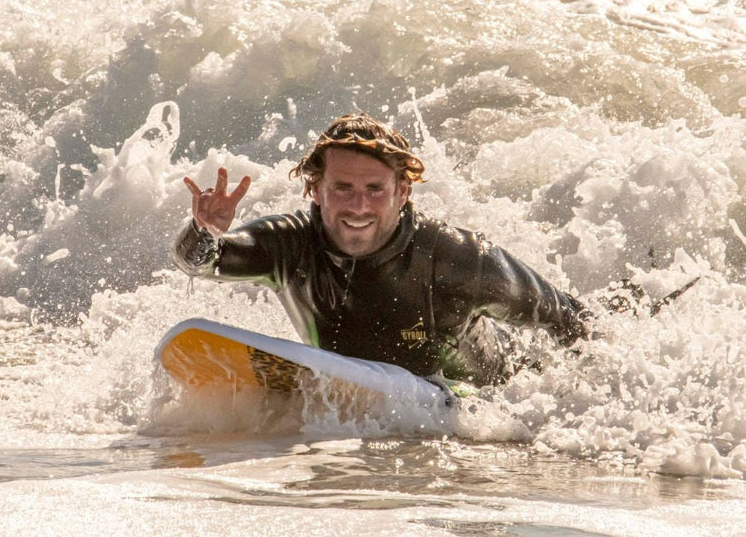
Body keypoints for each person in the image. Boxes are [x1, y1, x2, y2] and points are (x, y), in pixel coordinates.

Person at [173, 113, 591, 383]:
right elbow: (203, 261)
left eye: (375, 189)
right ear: (315, 189)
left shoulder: (457, 258)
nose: (359, 206)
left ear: (402, 191)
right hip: (368, 391)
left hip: (482, 394)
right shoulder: (289, 244)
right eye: (343, 188)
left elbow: (569, 321)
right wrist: (204, 231)